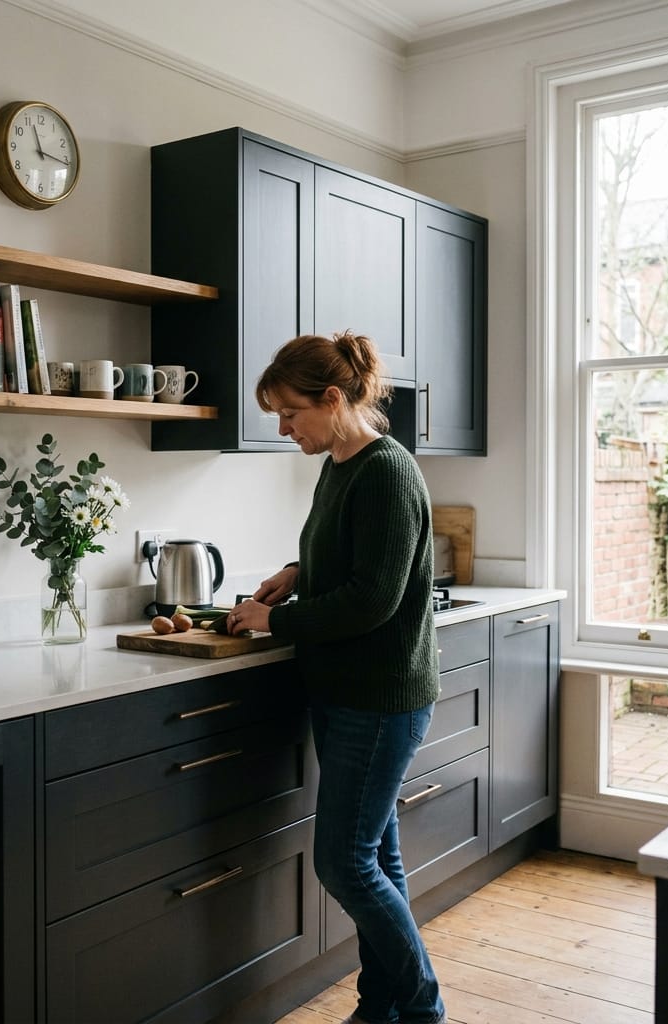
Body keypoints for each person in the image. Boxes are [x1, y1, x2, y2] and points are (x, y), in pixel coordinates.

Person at [226, 331, 447, 1024]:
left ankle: (424, 1010)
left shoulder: (387, 471)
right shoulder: (340, 464)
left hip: (378, 699)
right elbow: (348, 555)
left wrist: (275, 621)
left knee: (345, 864)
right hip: (347, 693)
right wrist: (296, 574)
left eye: (290, 414)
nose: (284, 429)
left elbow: (371, 599)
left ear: (331, 399)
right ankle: (379, 1008)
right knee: (376, 857)